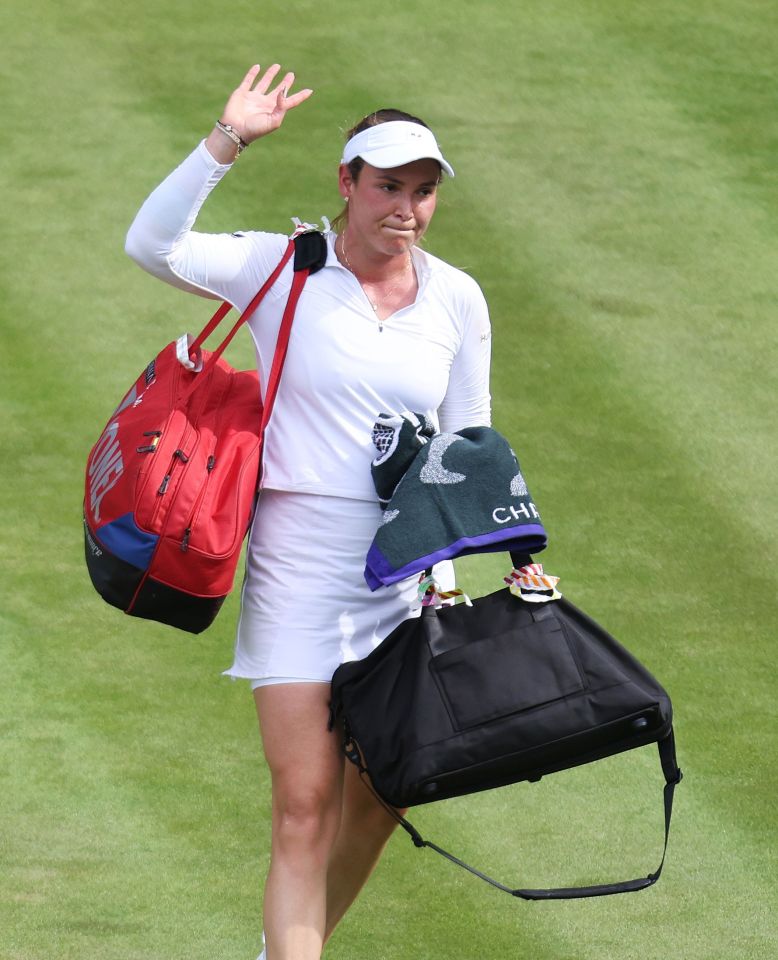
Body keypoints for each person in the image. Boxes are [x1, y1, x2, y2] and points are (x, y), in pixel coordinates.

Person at [125, 63, 492, 960]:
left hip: (403, 578)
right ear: (347, 183)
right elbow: (153, 245)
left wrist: (447, 578)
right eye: (388, 186)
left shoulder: (458, 297)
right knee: (303, 802)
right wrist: (229, 139)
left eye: (423, 189)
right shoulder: (281, 266)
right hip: (296, 566)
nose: (405, 206)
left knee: (386, 796)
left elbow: (467, 444)